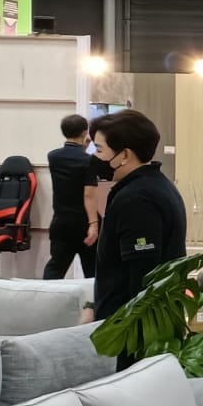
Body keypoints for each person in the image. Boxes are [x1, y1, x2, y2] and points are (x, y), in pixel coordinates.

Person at [89, 108, 187, 326]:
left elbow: (143, 276)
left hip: (134, 331)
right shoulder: (158, 185)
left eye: (99, 150)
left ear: (124, 155)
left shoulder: (135, 199)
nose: (95, 158)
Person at [40, 114, 100, 280]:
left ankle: (45, 295)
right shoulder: (89, 161)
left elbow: (72, 160)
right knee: (92, 271)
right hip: (83, 223)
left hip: (61, 222)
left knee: (56, 268)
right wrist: (94, 224)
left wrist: (82, 147)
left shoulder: (53, 157)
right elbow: (89, 194)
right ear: (85, 133)